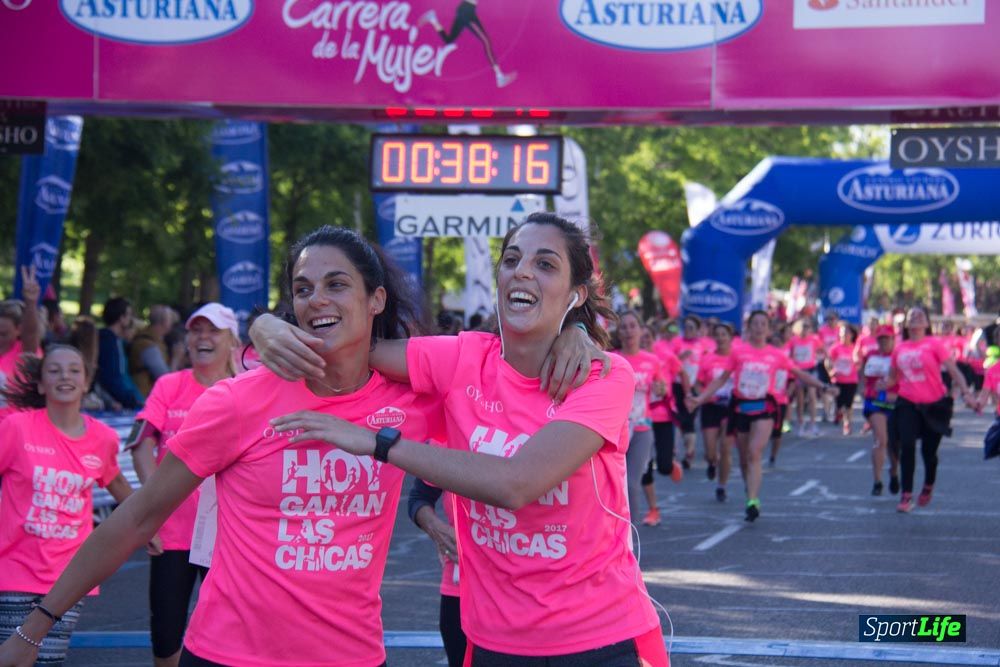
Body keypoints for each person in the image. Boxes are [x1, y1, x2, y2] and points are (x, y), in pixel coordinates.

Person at [0, 227, 448, 667]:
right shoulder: (238, 400)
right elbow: (138, 516)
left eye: (337, 284)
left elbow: (495, 372)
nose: (317, 299)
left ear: (377, 299)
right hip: (229, 654)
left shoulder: (409, 400)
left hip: (352, 656)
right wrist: (34, 626)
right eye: (303, 288)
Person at [259, 213, 669, 665]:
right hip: (494, 641)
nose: (523, 271)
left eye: (545, 264)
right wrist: (266, 327)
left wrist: (379, 443)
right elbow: (352, 348)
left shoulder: (603, 376)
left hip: (602, 641)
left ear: (576, 295)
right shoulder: (463, 358)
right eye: (511, 259)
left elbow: (516, 483)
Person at [0, 345, 136, 665]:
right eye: (55, 370)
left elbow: (114, 480)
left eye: (74, 370)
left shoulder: (102, 438)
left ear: (86, 382)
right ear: (40, 385)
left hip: (69, 576)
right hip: (14, 570)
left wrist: (151, 525)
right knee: (11, 660)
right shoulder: (16, 428)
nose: (65, 376)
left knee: (49, 660)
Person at [127, 303, 240, 667]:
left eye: (213, 331)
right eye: (196, 330)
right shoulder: (169, 385)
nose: (202, 337)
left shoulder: (246, 388)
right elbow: (142, 444)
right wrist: (152, 509)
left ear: (232, 341)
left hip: (229, 538)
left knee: (228, 639)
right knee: (166, 638)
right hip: (172, 533)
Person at [690, 311, 826, 522]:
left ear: (769, 329)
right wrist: (700, 398)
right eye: (755, 323)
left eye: (763, 324)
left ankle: (752, 501)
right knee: (744, 459)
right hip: (741, 407)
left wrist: (823, 386)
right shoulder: (738, 352)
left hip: (764, 408)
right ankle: (750, 491)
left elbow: (799, 373)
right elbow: (720, 380)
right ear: (749, 328)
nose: (759, 327)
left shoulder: (776, 354)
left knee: (754, 452)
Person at [888, 306, 973, 513]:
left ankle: (928, 484)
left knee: (929, 452)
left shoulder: (935, 344)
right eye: (911, 316)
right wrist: (882, 383)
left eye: (919, 316)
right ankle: (906, 495)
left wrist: (966, 393)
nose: (915, 318)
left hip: (934, 405)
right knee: (906, 444)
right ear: (907, 324)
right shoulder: (899, 348)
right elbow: (893, 378)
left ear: (927, 323)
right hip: (907, 402)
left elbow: (954, 370)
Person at [618, 309, 668, 526]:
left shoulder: (652, 361)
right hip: (615, 430)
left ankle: (631, 536)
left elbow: (661, 390)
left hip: (641, 429)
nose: (629, 331)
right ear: (618, 332)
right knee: (613, 485)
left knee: (631, 484)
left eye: (632, 326)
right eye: (624, 327)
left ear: (640, 330)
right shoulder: (613, 358)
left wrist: (661, 388)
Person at [408, 480, 464, 667]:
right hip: (461, 587)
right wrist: (438, 531)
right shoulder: (454, 449)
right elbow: (419, 498)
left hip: (536, 590)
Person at [419, 1, 516, 88]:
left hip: (465, 10)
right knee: (486, 41)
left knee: (449, 40)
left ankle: (433, 19)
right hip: (467, 12)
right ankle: (499, 76)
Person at [696, 322, 735, 501]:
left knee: (726, 448)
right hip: (711, 406)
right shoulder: (707, 358)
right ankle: (712, 462)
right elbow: (698, 382)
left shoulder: (736, 358)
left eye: (724, 335)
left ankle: (722, 485)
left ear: (730, 337)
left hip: (730, 407)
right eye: (717, 335)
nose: (720, 338)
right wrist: (701, 395)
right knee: (711, 451)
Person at [860, 325, 899, 496]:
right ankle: (877, 481)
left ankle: (894, 472)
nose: (883, 342)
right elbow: (861, 374)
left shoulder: (899, 356)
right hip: (875, 401)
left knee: (894, 445)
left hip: (895, 402)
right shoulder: (870, 355)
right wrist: (862, 388)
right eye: (880, 339)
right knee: (880, 440)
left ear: (893, 340)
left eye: (887, 338)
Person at [0, 267, 42, 423]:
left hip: (17, 425)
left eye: (3, 334)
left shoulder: (23, 351)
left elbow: (31, 333)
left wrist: (31, 302)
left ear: (18, 330)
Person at [670, 315, 706, 469]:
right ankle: (675, 450)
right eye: (686, 327)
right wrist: (679, 357)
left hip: (693, 387)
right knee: (678, 418)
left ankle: (689, 453)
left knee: (690, 420)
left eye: (692, 328)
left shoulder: (703, 346)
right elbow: (668, 362)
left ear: (697, 330)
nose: (688, 330)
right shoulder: (677, 343)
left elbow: (706, 366)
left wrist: (701, 384)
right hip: (677, 386)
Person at [96, 297, 145, 409]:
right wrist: (130, 400)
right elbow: (112, 377)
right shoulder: (109, 341)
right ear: (121, 318)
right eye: (128, 315)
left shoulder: (114, 340)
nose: (130, 319)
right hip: (116, 403)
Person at [129, 305, 180, 398]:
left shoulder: (155, 341)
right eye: (171, 320)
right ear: (165, 323)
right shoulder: (146, 345)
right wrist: (176, 358)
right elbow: (165, 378)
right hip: (143, 397)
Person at [786, 318, 824, 437]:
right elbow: (788, 354)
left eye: (807, 327)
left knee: (812, 397)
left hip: (811, 370)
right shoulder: (793, 340)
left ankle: (813, 423)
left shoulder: (814, 339)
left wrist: (820, 359)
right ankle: (801, 423)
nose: (805, 329)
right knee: (800, 399)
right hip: (798, 371)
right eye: (803, 327)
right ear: (797, 329)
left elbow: (823, 350)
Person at [826, 324, 859, 436]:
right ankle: (838, 412)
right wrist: (830, 371)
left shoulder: (855, 347)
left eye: (847, 332)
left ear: (852, 335)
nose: (844, 335)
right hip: (838, 380)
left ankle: (847, 425)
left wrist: (857, 365)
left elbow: (859, 361)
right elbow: (828, 361)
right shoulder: (835, 348)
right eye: (842, 332)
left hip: (851, 380)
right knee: (840, 404)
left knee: (848, 405)